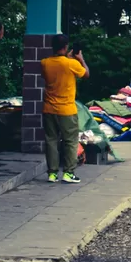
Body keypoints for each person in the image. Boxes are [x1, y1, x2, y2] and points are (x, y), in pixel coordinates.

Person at [40, 34, 88, 183]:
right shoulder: (71, 64)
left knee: (51, 141)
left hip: (49, 109)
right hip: (67, 110)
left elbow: (54, 70)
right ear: (66, 47)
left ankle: (52, 174)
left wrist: (67, 57)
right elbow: (86, 74)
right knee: (70, 141)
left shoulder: (44, 63)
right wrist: (80, 59)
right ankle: (68, 173)